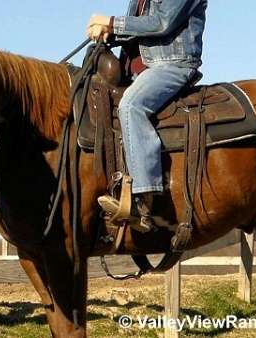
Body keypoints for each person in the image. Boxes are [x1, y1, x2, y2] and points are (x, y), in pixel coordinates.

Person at [86, 0, 207, 232]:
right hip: (136, 71)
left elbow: (161, 23)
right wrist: (107, 34)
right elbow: (136, 31)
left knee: (131, 106)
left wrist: (110, 22)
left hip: (171, 66)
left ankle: (143, 199)